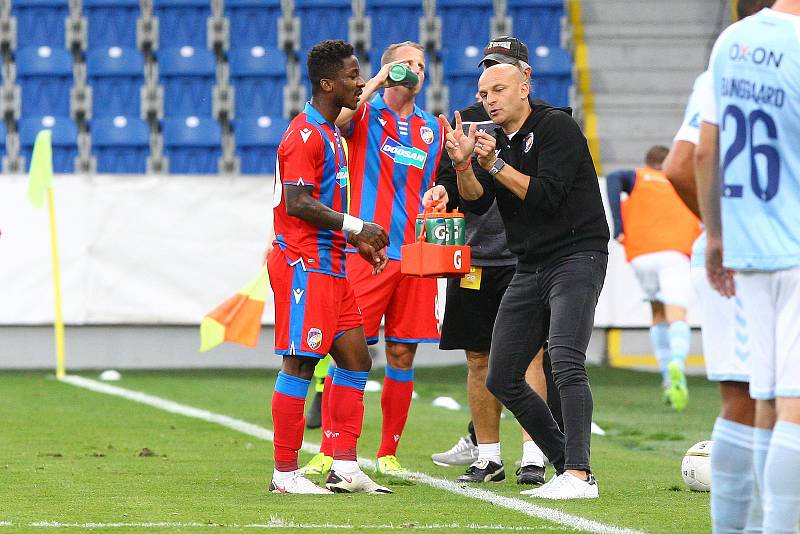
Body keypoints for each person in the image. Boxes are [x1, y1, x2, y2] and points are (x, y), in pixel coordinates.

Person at [442, 62, 609, 499]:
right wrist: (463, 166)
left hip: (576, 255)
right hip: (530, 263)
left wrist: (494, 164)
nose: (489, 100)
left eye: (499, 89)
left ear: (524, 88)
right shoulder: (494, 141)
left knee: (566, 359)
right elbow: (477, 205)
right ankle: (567, 465)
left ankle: (578, 473)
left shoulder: (557, 127)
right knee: (501, 376)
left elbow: (546, 195)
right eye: (483, 94)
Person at [302, 41, 446, 477]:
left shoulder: (432, 128)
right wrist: (381, 80)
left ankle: (388, 455)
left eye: (421, 65)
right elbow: (337, 119)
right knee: (347, 349)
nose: (415, 71)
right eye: (406, 63)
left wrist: (443, 190)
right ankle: (330, 450)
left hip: (415, 255)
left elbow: (435, 183)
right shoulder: (364, 112)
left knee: (403, 353)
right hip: (367, 251)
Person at [424, 36, 561, 486]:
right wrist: (444, 187)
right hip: (478, 257)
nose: (492, 86)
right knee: (478, 358)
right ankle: (487, 455)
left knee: (530, 358)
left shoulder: (551, 124)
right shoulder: (465, 122)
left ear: (524, 77)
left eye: (502, 68)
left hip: (527, 258)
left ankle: (534, 455)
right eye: (488, 69)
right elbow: (453, 187)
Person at [266, 39, 392, 495]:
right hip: (304, 263)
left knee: (357, 358)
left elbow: (324, 205)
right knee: (300, 362)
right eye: (353, 76)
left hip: (333, 264)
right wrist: (358, 227)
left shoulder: (331, 133)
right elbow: (298, 204)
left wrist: (353, 242)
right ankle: (284, 474)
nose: (360, 83)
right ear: (327, 83)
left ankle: (344, 465)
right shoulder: (302, 135)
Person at [695, 2, 800, 530]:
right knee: (795, 410)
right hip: (798, 247)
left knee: (766, 399)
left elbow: (701, 152)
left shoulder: (730, 43)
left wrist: (716, 235)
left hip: (749, 248)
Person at [606, 146, 701, 410]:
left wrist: (619, 227)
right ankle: (677, 365)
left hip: (641, 255)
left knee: (657, 312)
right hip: (675, 253)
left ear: (648, 162)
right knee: (676, 314)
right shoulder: (681, 182)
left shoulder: (637, 177)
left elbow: (613, 179)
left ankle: (666, 380)